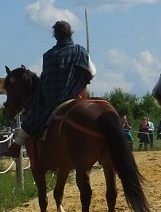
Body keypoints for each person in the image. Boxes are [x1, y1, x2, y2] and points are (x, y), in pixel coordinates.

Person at [6, 20, 95, 156]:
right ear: (70, 34)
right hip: (76, 95)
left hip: (53, 100)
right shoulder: (81, 51)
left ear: (55, 35)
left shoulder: (48, 55)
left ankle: (17, 145)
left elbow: (45, 80)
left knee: (32, 116)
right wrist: (80, 82)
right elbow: (92, 72)